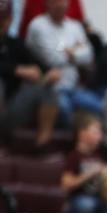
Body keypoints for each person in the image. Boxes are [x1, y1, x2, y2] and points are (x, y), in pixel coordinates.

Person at [24, 0, 101, 123]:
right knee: (66, 109)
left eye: (64, 2)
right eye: (56, 2)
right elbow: (52, 59)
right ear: (47, 4)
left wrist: (68, 52)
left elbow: (89, 55)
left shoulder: (74, 26)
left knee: (100, 106)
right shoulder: (38, 25)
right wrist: (75, 49)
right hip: (49, 89)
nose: (61, 5)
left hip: (73, 88)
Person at [0, 0, 59, 148]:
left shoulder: (14, 44)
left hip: (11, 107)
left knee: (46, 89)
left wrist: (50, 74)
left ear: (9, 20)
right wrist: (17, 70)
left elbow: (41, 66)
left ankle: (42, 144)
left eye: (3, 19)